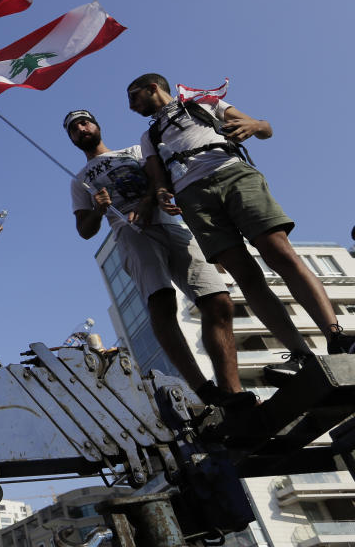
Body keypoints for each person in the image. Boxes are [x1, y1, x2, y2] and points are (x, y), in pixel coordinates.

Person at [126, 73, 354, 385]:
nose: (131, 105)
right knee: (245, 276)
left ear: (153, 88)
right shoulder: (149, 137)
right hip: (193, 199)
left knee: (280, 252)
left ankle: (336, 335)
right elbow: (158, 178)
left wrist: (254, 126)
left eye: (134, 96)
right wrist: (163, 194)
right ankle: (301, 354)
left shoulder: (201, 101)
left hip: (231, 173)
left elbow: (265, 128)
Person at [65, 110, 254, 409]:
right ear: (71, 139)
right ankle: (204, 389)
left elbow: (160, 177)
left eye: (84, 122)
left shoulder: (135, 151)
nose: (81, 128)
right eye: (73, 128)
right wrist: (99, 210)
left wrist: (147, 201)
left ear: (97, 125)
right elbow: (84, 231)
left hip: (170, 224)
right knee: (162, 302)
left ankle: (232, 390)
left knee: (218, 300)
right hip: (131, 233)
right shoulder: (79, 182)